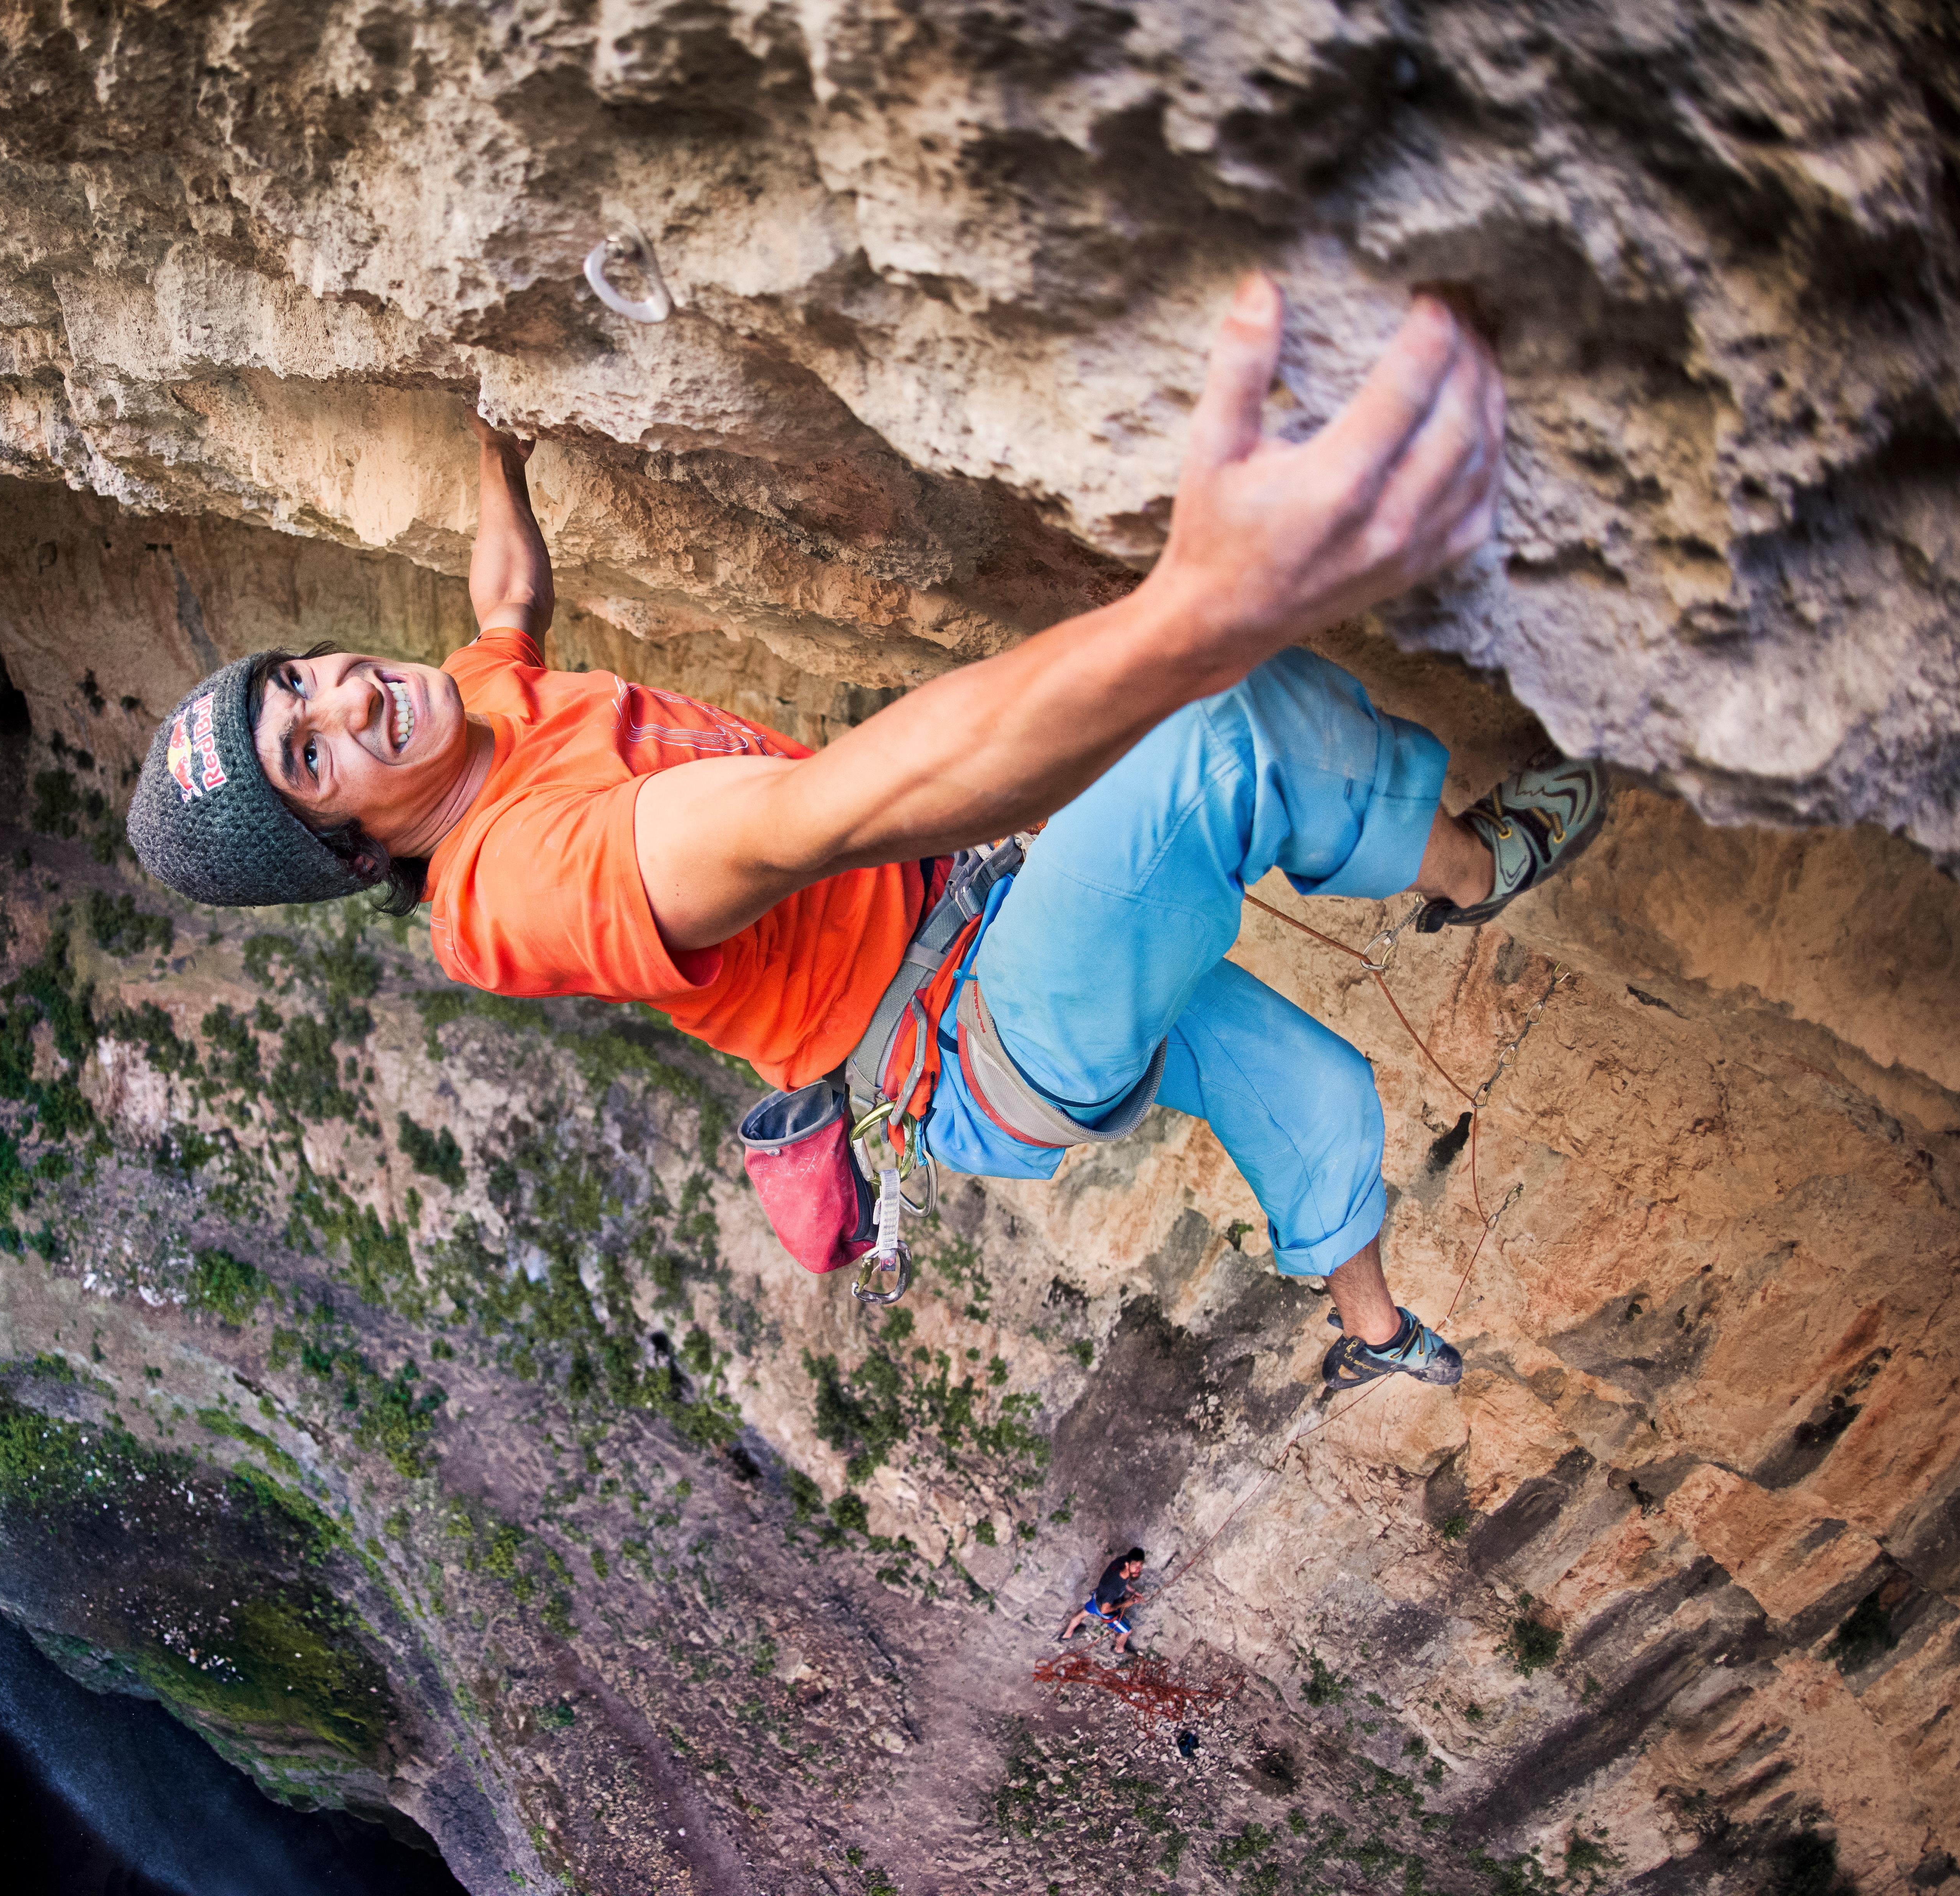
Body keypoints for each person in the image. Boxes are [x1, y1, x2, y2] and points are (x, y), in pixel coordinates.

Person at [127, 276, 1606, 1394]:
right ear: (344, 853)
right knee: (1223, 723)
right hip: (976, 1036)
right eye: (306, 755)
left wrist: (493, 453)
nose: (343, 698)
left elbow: (503, 608)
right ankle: (1476, 867)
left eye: (300, 677)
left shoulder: (462, 709)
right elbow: (822, 816)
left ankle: (1373, 1332)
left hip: (980, 940)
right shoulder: (522, 888)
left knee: (1323, 1094)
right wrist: (1191, 612)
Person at [1059, 1549, 1150, 1654]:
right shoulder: (1113, 1589)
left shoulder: (1123, 1562)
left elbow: (1124, 1581)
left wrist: (1133, 1591)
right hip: (1104, 1609)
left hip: (1097, 1597)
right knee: (1127, 1631)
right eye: (1135, 1565)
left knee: (1082, 1614)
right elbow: (1105, 1610)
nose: (1139, 1569)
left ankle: (1067, 1635)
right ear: (1127, 1565)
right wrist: (1126, 1604)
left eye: (1141, 1565)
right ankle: (1119, 1650)